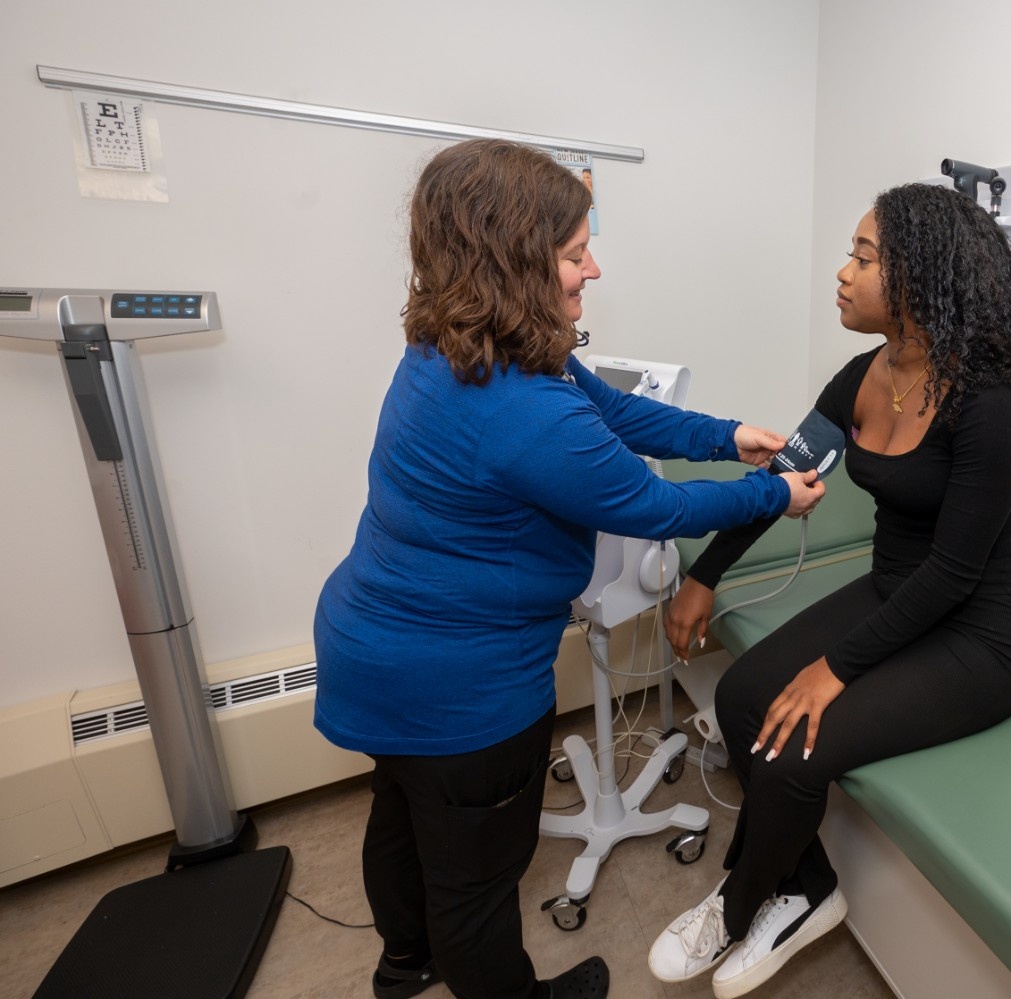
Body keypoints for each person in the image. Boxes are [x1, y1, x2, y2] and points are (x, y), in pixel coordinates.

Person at [312, 139, 824, 999]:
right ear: (515, 261)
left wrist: (725, 435)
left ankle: (404, 965)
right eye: (575, 252)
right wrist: (772, 495)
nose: (594, 268)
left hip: (374, 643)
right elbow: (656, 509)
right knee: (478, 880)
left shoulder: (459, 344)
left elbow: (613, 410)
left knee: (401, 817)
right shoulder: (523, 409)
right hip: (461, 686)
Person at [648, 182, 1011, 998]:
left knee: (799, 744)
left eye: (864, 258)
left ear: (923, 279)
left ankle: (739, 903)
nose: (843, 272)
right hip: (898, 592)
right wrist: (703, 575)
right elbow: (781, 477)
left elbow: (954, 571)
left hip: (983, 630)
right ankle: (810, 886)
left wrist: (834, 667)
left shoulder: (993, 403)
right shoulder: (864, 376)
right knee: (740, 700)